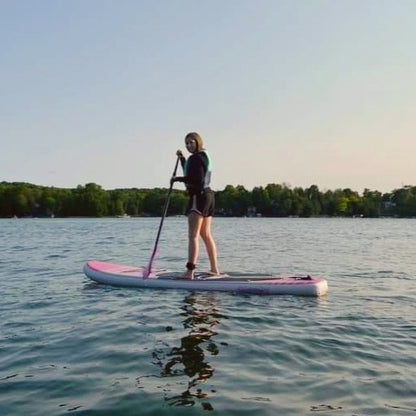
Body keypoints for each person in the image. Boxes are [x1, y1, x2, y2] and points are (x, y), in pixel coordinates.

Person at [171, 132, 220, 279]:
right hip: (209, 196)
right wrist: (181, 159)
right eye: (186, 143)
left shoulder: (196, 158)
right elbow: (191, 170)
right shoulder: (204, 156)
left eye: (191, 142)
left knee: (193, 236)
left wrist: (177, 179)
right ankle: (215, 269)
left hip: (198, 197)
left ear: (198, 142)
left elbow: (196, 179)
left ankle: (189, 272)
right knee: (205, 234)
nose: (188, 145)